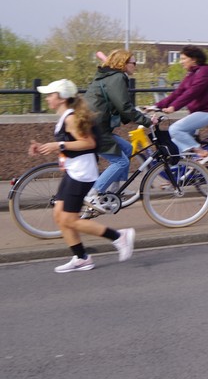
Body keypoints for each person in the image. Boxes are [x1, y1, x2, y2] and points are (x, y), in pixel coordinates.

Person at [28, 80, 134, 272]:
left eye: (51, 95)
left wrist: (58, 145)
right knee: (59, 215)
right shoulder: (66, 116)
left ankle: (119, 237)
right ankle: (81, 258)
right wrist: (45, 147)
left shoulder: (71, 118)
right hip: (73, 171)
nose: (47, 98)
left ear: (62, 98)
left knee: (69, 219)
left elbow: (88, 143)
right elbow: (70, 143)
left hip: (82, 174)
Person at [84, 49, 147, 204]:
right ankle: (93, 194)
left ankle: (114, 191)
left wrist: (137, 114)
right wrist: (147, 121)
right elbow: (124, 107)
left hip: (94, 125)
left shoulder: (109, 76)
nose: (135, 66)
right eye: (133, 63)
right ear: (123, 63)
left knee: (127, 149)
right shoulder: (117, 77)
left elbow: (120, 106)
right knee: (121, 162)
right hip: (95, 128)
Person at [154, 44, 208, 162]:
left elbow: (192, 92)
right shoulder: (191, 74)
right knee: (175, 145)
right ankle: (182, 173)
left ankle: (202, 153)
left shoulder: (204, 72)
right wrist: (156, 106)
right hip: (199, 112)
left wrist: (174, 107)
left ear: (193, 59)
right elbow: (178, 92)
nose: (181, 62)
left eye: (183, 59)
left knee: (175, 129)